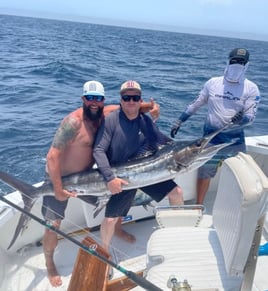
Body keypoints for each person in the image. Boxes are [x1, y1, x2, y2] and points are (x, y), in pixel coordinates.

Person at [43, 80, 160, 287]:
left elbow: (131, 105)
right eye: (90, 98)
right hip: (60, 180)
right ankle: (50, 263)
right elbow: (52, 157)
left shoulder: (106, 112)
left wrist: (152, 107)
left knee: (117, 198)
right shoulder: (73, 123)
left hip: (88, 178)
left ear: (104, 100)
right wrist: (59, 190)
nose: (94, 103)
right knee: (53, 226)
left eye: (98, 99)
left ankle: (117, 229)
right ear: (83, 99)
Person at [93, 80, 184, 253]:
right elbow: (98, 150)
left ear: (140, 100)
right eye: (127, 97)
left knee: (177, 193)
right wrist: (110, 179)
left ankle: (176, 233)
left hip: (147, 173)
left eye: (135, 98)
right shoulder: (111, 121)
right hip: (122, 178)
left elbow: (165, 142)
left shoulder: (145, 121)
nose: (131, 101)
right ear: (121, 100)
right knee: (111, 219)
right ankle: (104, 253)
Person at [170, 48, 261, 205]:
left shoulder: (251, 88)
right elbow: (196, 103)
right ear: (228, 61)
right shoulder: (213, 83)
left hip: (235, 142)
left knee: (239, 176)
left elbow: (250, 117)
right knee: (204, 173)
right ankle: (199, 205)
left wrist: (242, 120)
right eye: (234, 61)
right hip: (211, 139)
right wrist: (180, 120)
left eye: (241, 62)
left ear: (246, 65)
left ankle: (236, 207)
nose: (236, 65)